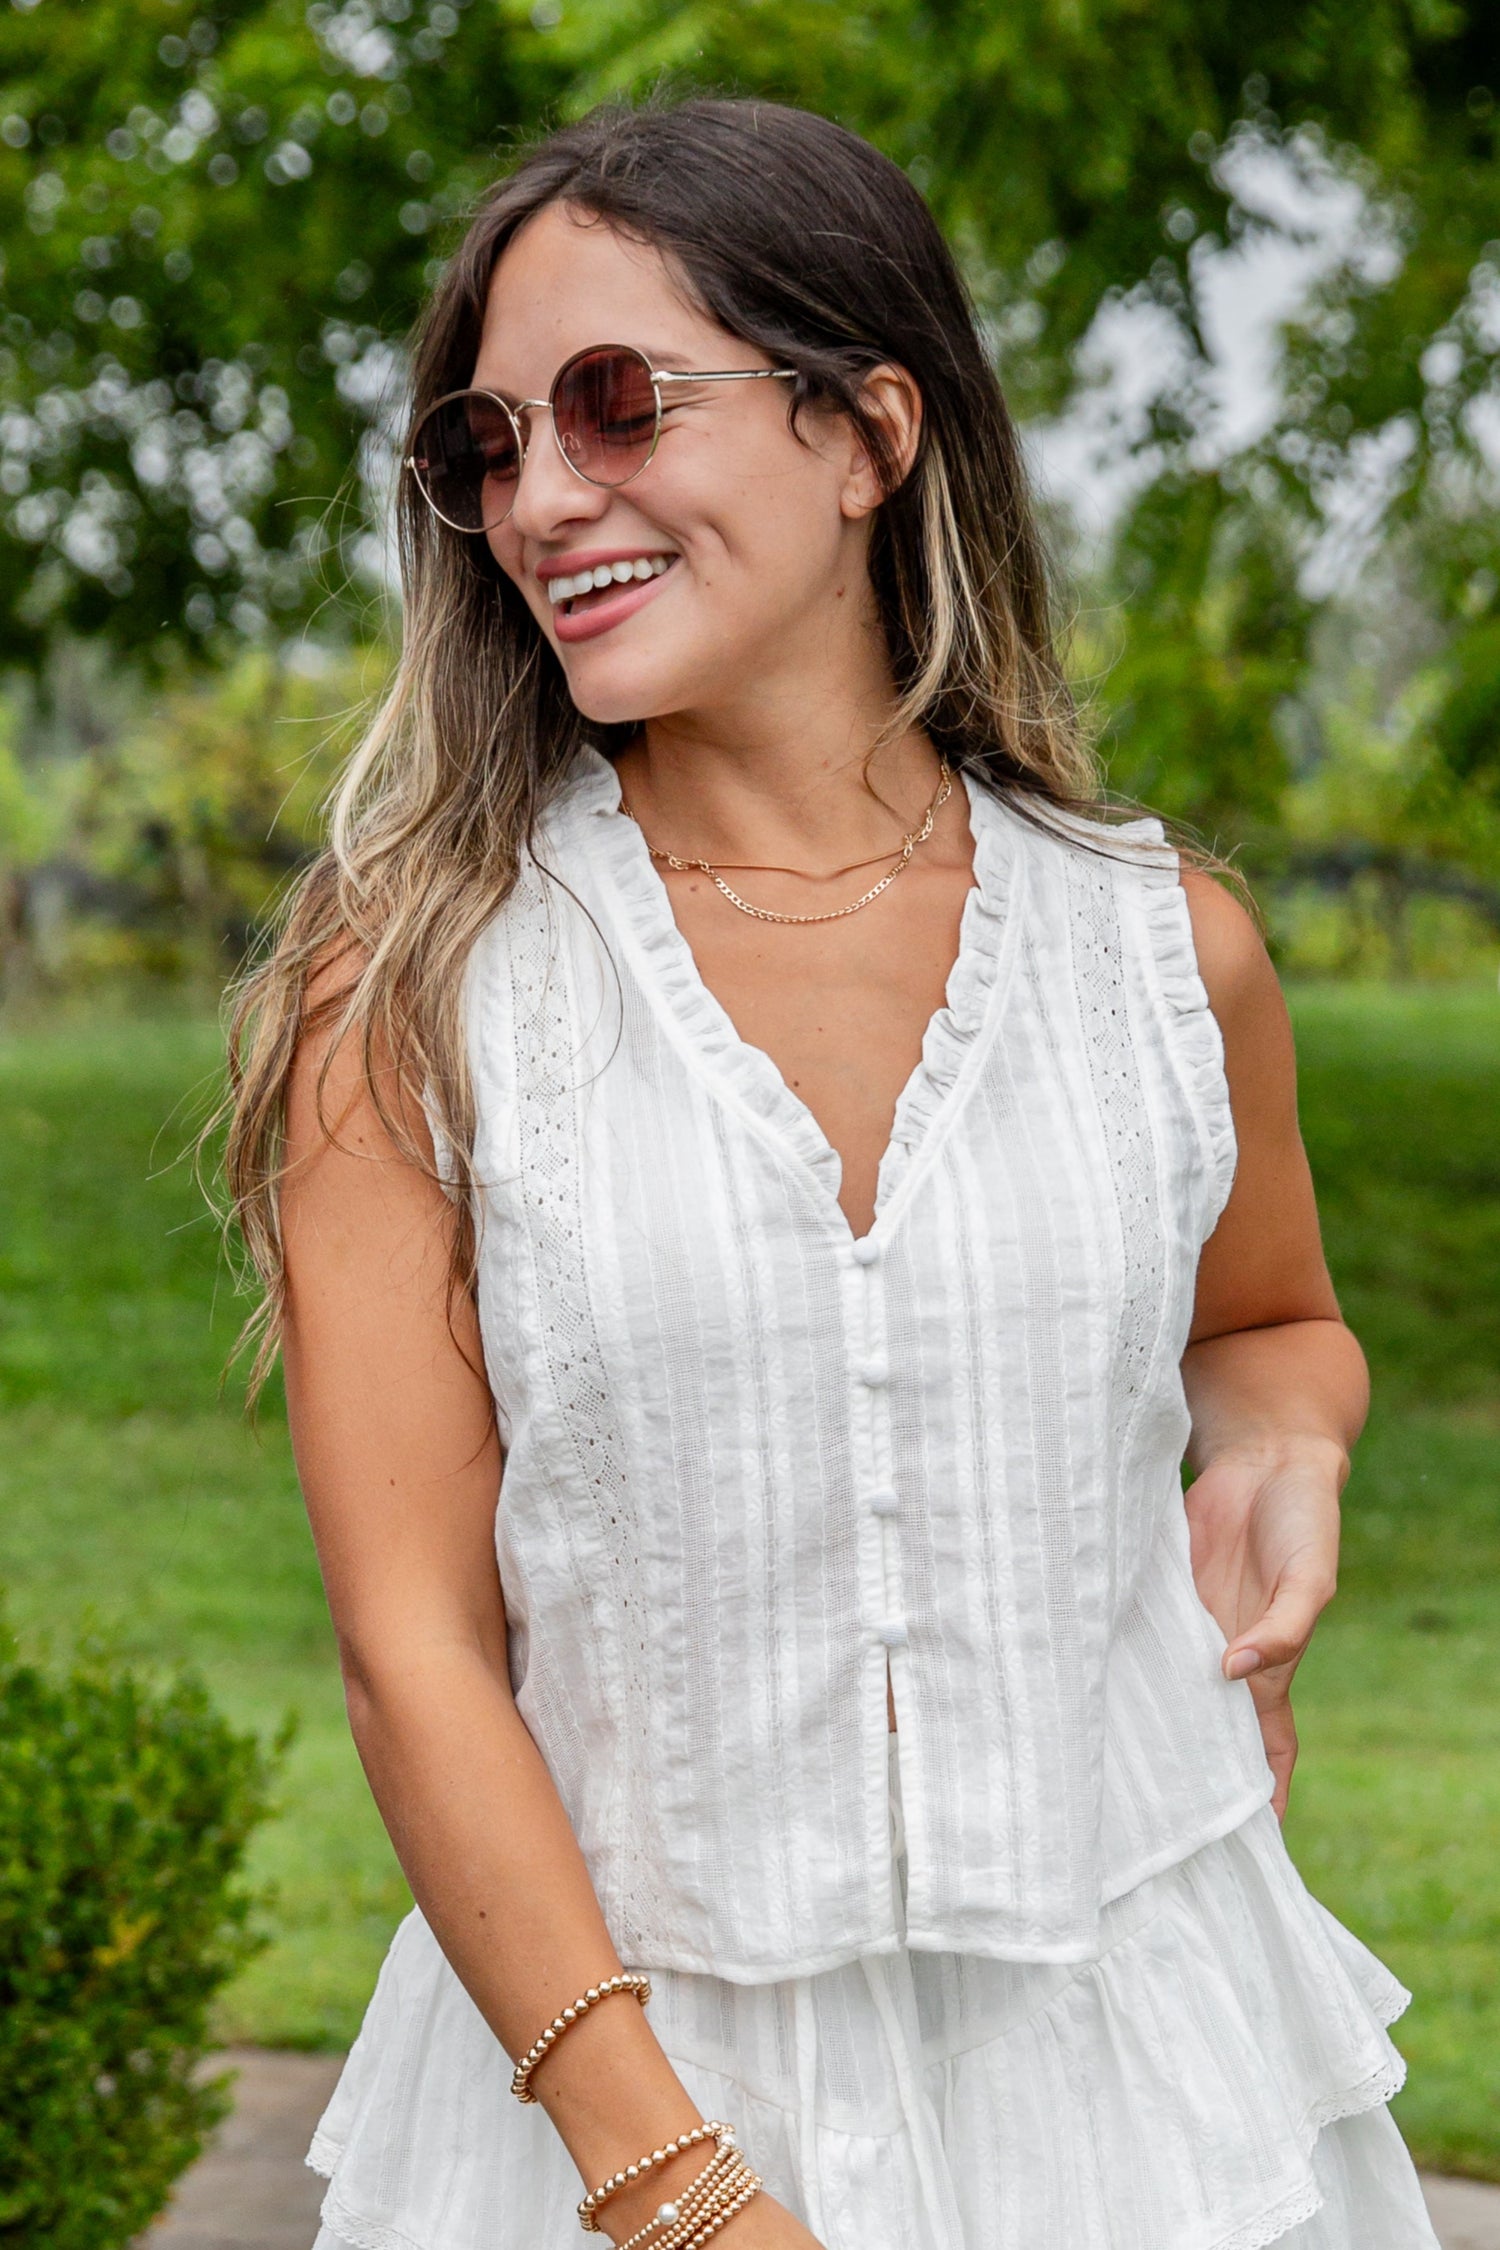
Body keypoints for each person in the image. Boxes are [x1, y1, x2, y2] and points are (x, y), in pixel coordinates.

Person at [221, 97, 1441, 2250]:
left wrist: (1287, 1441)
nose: (542, 497)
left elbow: (1269, 1321)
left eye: (614, 404)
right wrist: (680, 2193)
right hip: (613, 2114)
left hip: (1156, 2075)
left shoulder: (1168, 950)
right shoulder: (411, 992)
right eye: (485, 444)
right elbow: (415, 1650)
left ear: (867, 428)